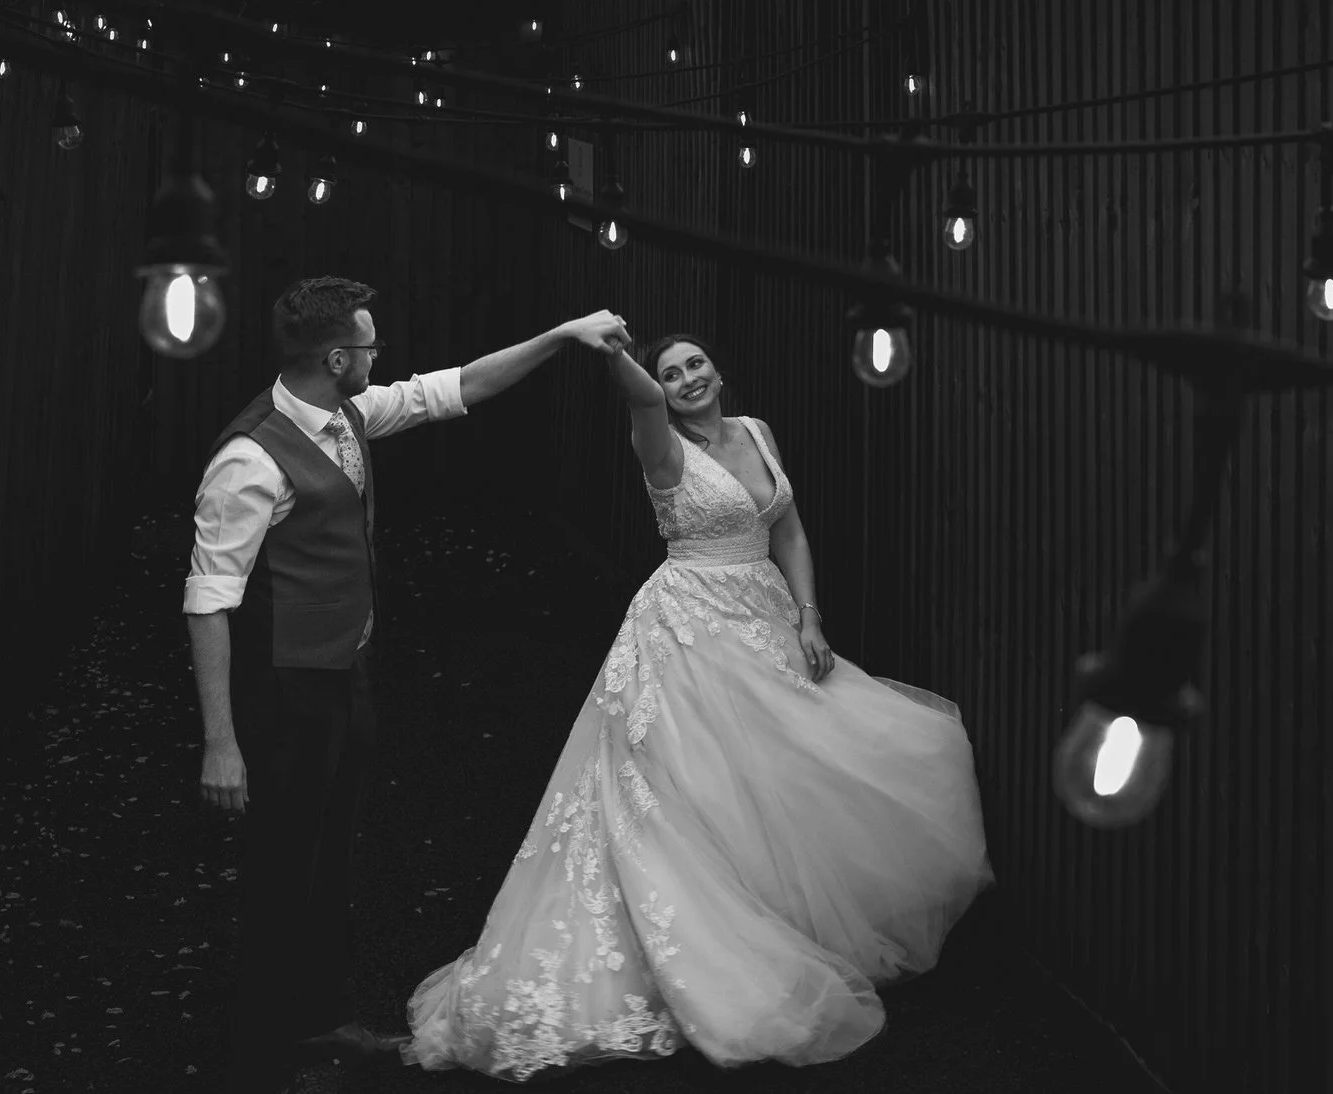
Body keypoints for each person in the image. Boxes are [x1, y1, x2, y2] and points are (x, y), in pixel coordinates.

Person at [402, 332, 993, 1079]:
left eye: (695, 365)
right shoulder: (659, 444)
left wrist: (810, 616)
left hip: (767, 619)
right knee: (696, 788)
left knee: (808, 767)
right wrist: (601, 345)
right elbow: (641, 397)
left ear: (719, 369)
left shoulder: (757, 432)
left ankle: (799, 921)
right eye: (670, 373)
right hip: (686, 631)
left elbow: (789, 528)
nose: (685, 380)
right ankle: (718, 946)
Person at [183, 276, 631, 1094]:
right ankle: (263, 1056)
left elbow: (452, 389)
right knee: (283, 867)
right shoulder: (249, 457)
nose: (380, 355)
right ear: (336, 356)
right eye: (370, 345)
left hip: (343, 677)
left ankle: (321, 1017)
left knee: (330, 857)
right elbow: (208, 602)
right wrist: (222, 743)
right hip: (285, 696)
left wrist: (562, 334)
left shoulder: (348, 412)